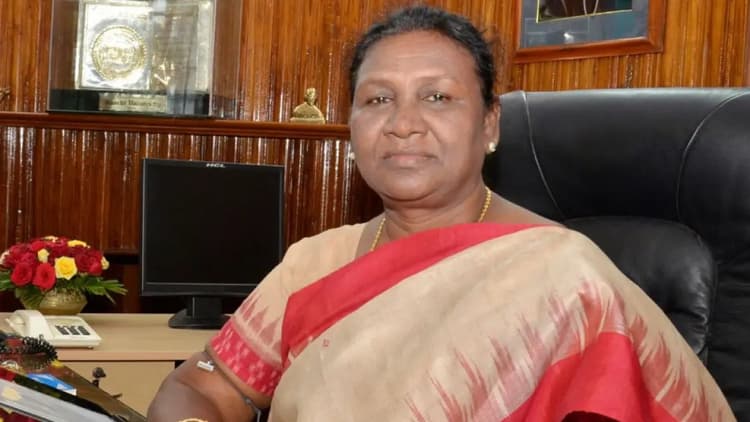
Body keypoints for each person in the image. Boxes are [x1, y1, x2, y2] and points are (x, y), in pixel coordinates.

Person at [147, 6, 734, 422]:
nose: (403, 123)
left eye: (437, 97)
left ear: (490, 124)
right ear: (352, 128)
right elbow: (205, 385)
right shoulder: (314, 262)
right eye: (378, 99)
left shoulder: (567, 280)